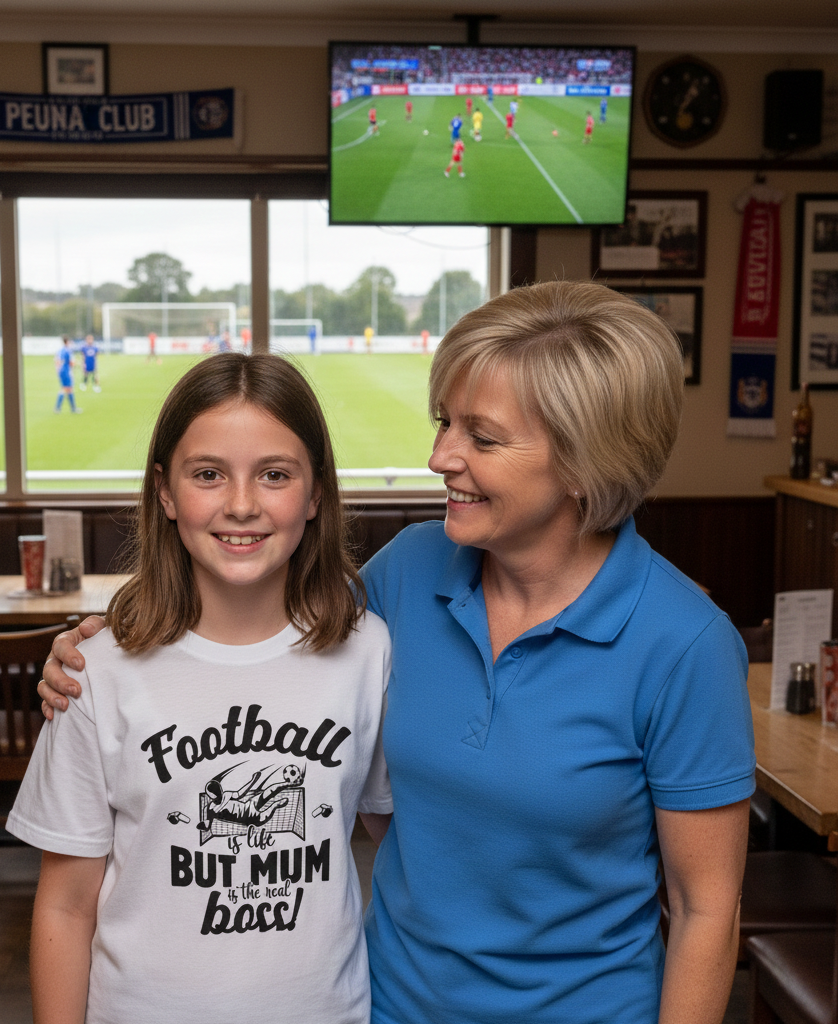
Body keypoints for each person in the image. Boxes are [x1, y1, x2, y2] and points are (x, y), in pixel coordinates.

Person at [40, 282, 755, 1024]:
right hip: (388, 1007)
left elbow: (705, 911)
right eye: (445, 422)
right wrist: (94, 643)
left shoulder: (685, 646)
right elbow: (248, 627)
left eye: (481, 437)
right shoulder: (409, 571)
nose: (439, 455)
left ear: (583, 460)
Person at [11, 353, 392, 1024]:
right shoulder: (94, 671)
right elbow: (66, 906)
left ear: (315, 495)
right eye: (208, 474)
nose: (241, 504)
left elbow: (402, 848)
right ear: (164, 492)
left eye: (274, 474)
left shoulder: (369, 651)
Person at [53, 335, 80, 414]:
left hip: (61, 371)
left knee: (68, 389)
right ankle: (59, 408)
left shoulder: (60, 351)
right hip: (66, 371)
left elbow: (56, 361)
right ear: (67, 342)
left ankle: (72, 408)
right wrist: (78, 364)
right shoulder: (68, 351)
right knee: (66, 389)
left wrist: (58, 371)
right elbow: (71, 362)